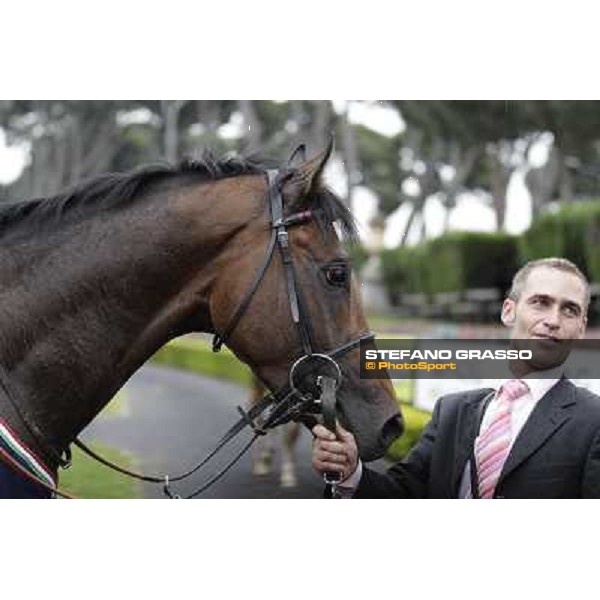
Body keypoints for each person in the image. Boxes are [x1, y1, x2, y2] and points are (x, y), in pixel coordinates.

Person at [312, 257, 600, 498]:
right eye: (540, 302)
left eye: (570, 310)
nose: (553, 320)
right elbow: (402, 495)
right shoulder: (452, 411)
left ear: (580, 328)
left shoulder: (593, 421)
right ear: (508, 311)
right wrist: (352, 473)